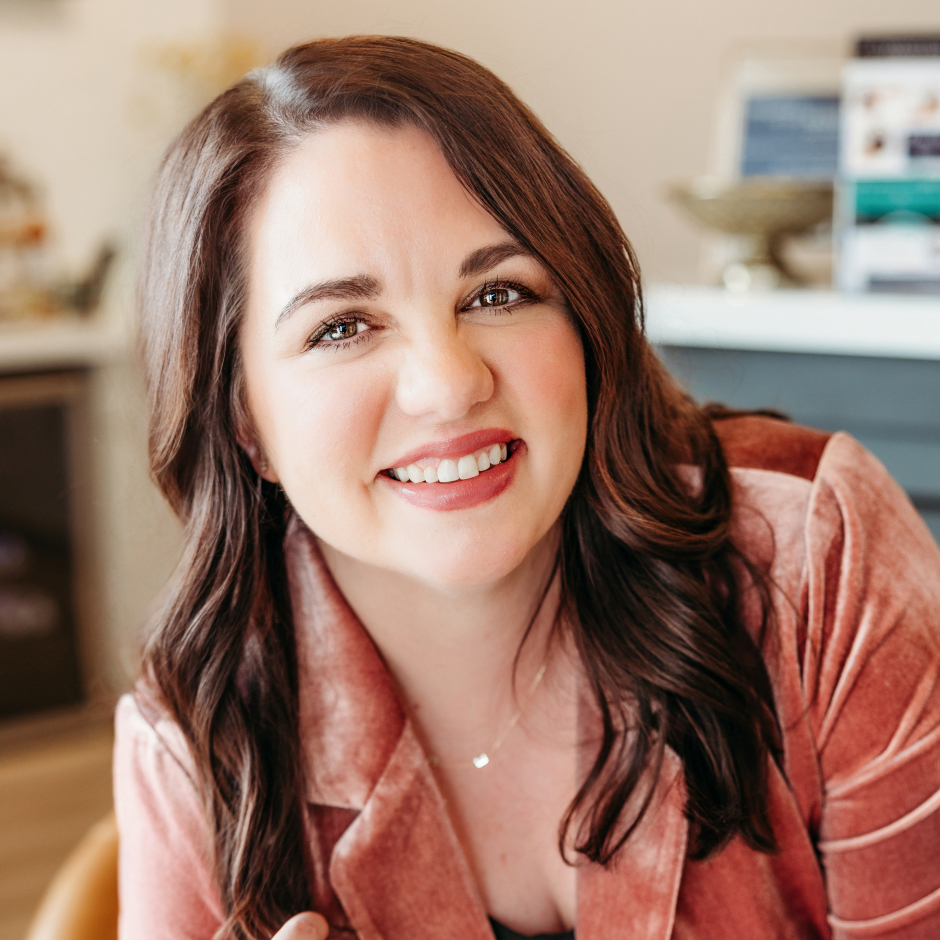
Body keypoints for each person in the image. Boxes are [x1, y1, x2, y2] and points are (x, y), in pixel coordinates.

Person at [115, 36, 940, 940]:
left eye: (499, 294)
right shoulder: (198, 742)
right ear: (243, 421)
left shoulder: (814, 559)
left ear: (584, 320)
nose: (449, 383)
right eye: (343, 326)